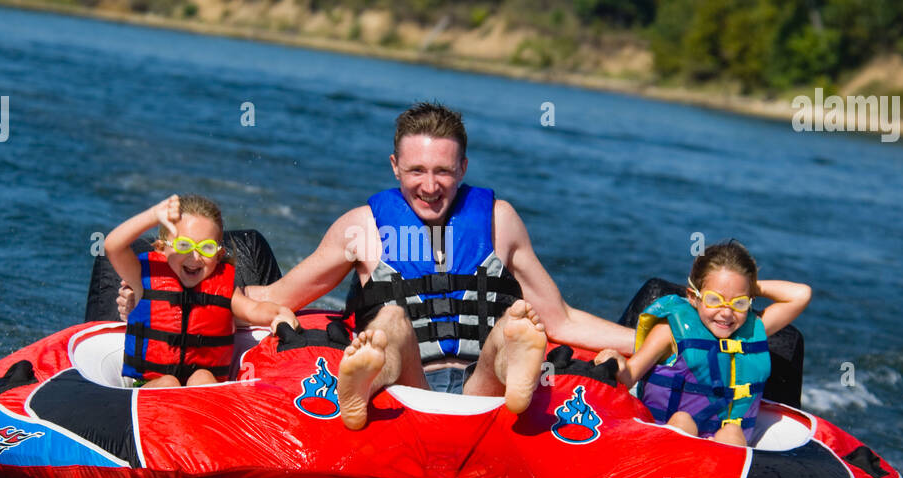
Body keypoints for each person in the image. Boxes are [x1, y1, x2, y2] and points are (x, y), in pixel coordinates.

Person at [117, 103, 636, 428]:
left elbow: (561, 318)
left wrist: (658, 335)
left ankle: (517, 361)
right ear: (394, 167)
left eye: (442, 172)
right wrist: (159, 299)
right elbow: (276, 300)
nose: (430, 186)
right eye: (416, 171)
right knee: (387, 323)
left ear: (463, 169)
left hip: (483, 392)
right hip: (409, 387)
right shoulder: (359, 228)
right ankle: (362, 380)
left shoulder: (500, 221)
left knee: (515, 326)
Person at [598, 239, 810, 446]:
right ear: (693, 297)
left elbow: (801, 295)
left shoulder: (752, 329)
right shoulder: (667, 331)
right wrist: (617, 361)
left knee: (732, 433)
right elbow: (629, 375)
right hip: (668, 436)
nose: (726, 313)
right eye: (714, 299)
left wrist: (742, 284)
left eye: (739, 302)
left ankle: (725, 473)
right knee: (683, 419)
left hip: (726, 447)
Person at [106, 193, 297, 387]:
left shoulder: (224, 288)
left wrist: (277, 313)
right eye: (184, 245)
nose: (195, 257)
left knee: (203, 377)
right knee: (168, 383)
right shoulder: (143, 278)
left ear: (219, 254)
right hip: (151, 385)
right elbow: (113, 246)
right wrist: (153, 215)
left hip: (201, 398)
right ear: (161, 248)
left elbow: (253, 310)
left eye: (206, 248)